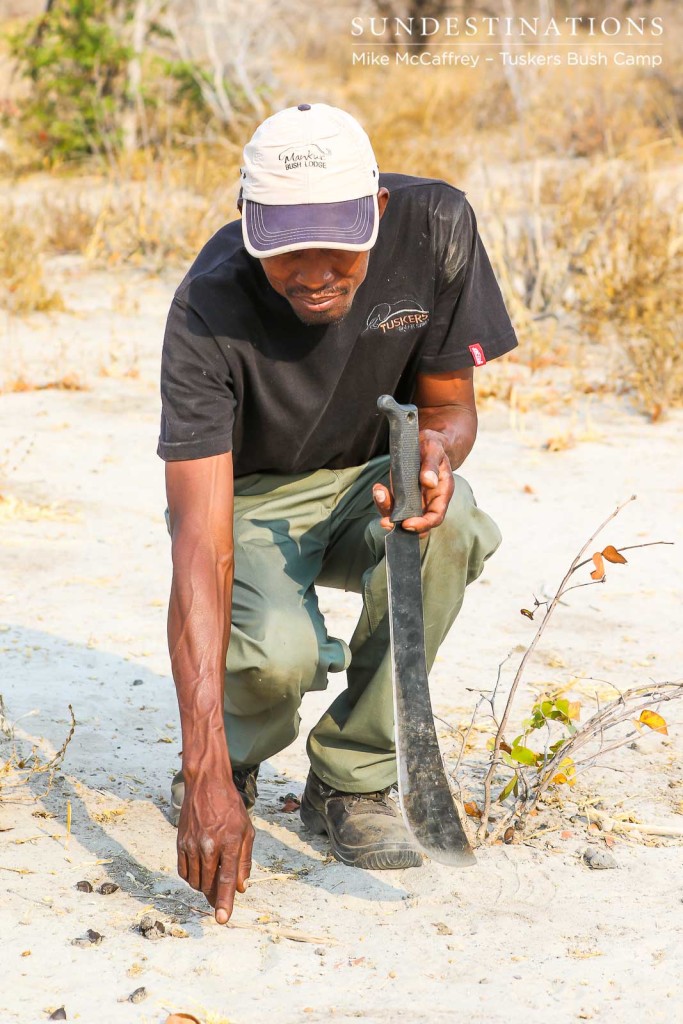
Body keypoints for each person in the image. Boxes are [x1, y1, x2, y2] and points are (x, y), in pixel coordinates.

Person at [158, 103, 518, 924]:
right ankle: (237, 765)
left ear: (377, 212)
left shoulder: (434, 225)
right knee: (275, 655)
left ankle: (351, 780)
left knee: (452, 522)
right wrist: (204, 766)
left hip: (370, 479)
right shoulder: (207, 309)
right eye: (286, 248)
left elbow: (450, 409)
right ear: (249, 222)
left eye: (338, 244)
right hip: (255, 496)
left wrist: (435, 455)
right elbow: (197, 548)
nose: (315, 270)